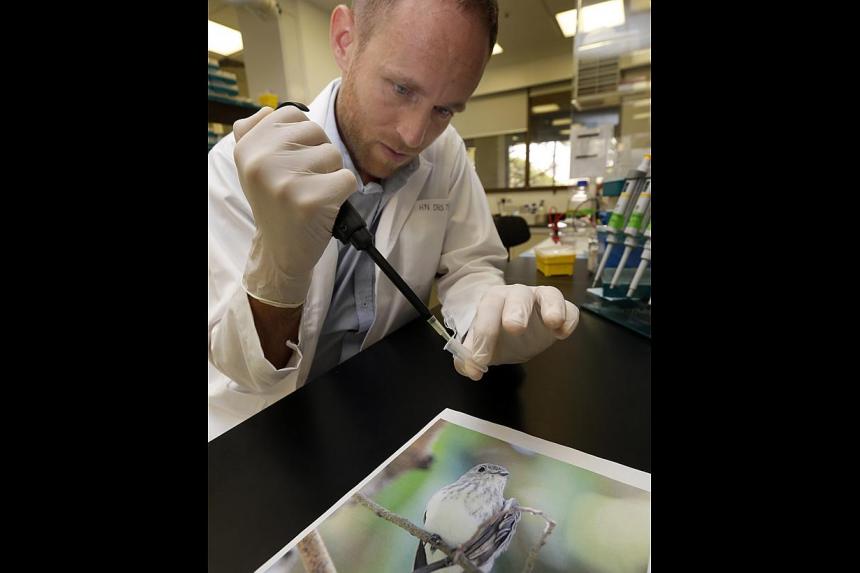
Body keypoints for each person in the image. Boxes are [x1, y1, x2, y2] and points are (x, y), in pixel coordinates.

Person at [208, 0, 579, 440]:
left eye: (445, 110)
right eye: (402, 89)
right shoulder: (237, 165)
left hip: (379, 406)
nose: (414, 135)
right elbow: (243, 369)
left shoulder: (446, 152)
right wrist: (278, 271)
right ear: (346, 40)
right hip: (265, 429)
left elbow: (470, 264)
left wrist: (490, 319)